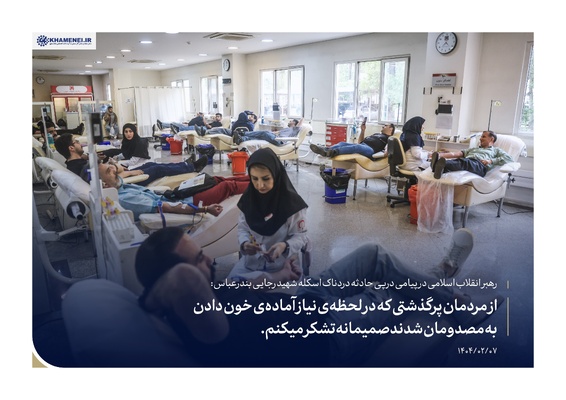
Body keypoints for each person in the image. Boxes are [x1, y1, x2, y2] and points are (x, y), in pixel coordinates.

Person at [134, 226, 503, 367]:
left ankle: (442, 278)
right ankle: (451, 289)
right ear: (166, 284)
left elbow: (242, 287)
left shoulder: (207, 293)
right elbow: (183, 280)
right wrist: (158, 287)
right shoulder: (199, 324)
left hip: (305, 298)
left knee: (373, 253)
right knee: (391, 291)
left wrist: (278, 276)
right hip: (327, 333)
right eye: (198, 259)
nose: (210, 260)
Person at [226, 147, 309, 282]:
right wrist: (245, 243)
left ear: (276, 175)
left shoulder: (292, 205)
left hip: (284, 268)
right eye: (254, 179)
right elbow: (243, 228)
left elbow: (301, 236)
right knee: (229, 291)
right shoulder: (248, 200)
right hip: (250, 266)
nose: (260, 185)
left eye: (266, 179)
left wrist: (284, 246)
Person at [97, 162, 249, 221]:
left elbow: (120, 172)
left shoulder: (121, 187)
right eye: (109, 171)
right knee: (228, 186)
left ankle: (255, 176)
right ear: (104, 184)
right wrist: (204, 209)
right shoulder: (126, 199)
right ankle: (259, 183)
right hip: (188, 201)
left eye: (111, 167)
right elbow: (167, 207)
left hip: (176, 194)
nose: (114, 170)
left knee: (215, 179)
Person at [55, 132, 209, 185]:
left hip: (121, 174)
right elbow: (106, 181)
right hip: (123, 182)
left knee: (150, 164)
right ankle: (192, 167)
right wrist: (129, 172)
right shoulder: (78, 166)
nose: (80, 143)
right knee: (156, 168)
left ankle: (185, 165)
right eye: (76, 142)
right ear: (71, 148)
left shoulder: (76, 162)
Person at [430, 130, 514, 179]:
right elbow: (455, 154)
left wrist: (491, 161)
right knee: (459, 161)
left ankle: (437, 165)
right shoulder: (474, 149)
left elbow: (509, 158)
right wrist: (439, 155)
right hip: (467, 161)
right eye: (481, 136)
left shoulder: (496, 150)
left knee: (465, 162)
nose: (480, 139)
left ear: (491, 139)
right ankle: (438, 169)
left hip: (480, 166)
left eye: (483, 137)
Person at [310, 123, 395, 159]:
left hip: (371, 150)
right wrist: (363, 131)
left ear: (391, 129)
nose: (383, 126)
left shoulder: (390, 138)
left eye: (385, 125)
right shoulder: (377, 134)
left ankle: (333, 152)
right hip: (363, 145)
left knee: (356, 147)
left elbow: (388, 148)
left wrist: (385, 153)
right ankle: (325, 150)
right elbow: (360, 142)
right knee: (342, 143)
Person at [232, 118, 304, 146]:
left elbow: (301, 121)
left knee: (264, 133)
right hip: (276, 137)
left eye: (291, 121)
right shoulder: (286, 129)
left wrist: (303, 117)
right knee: (260, 136)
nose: (289, 121)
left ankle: (243, 133)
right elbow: (277, 132)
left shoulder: (294, 129)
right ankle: (241, 139)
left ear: (294, 123)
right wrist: (272, 132)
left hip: (279, 141)